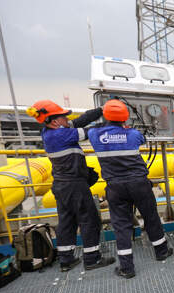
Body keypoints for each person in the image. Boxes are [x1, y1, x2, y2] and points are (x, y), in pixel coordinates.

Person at [87, 100, 173, 278]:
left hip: (115, 187)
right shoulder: (133, 134)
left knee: (121, 225)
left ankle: (126, 268)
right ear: (125, 118)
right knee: (151, 217)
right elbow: (143, 138)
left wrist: (98, 113)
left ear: (105, 116)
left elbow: (81, 127)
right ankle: (162, 251)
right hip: (139, 183)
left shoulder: (95, 134)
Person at [27, 100, 115, 272]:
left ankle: (66, 260)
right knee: (89, 219)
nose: (68, 119)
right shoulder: (61, 135)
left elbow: (81, 121)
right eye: (64, 116)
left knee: (67, 221)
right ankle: (92, 259)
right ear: (54, 121)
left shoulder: (50, 131)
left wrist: (100, 110)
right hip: (74, 185)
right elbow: (92, 132)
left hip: (62, 185)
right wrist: (115, 120)